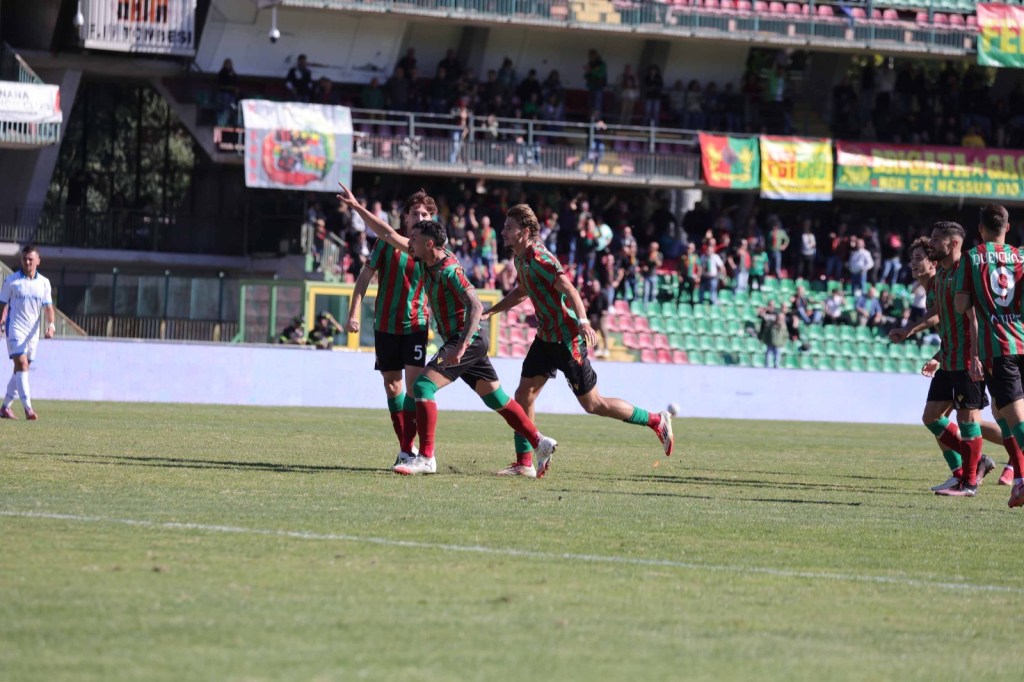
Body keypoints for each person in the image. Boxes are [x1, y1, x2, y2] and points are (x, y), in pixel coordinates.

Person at [483, 204, 674, 478]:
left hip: (566, 339)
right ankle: (524, 462)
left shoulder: (540, 257)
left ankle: (656, 420)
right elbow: (523, 291)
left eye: (509, 228)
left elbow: (569, 289)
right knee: (523, 395)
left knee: (593, 404)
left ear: (524, 232)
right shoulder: (520, 259)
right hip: (545, 338)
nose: (503, 232)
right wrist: (493, 309)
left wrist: (584, 322)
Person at [362, 212, 557, 477]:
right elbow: (387, 234)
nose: (409, 243)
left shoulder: (449, 269)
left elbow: (476, 306)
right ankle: (539, 442)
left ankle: (426, 458)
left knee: (422, 385)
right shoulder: (423, 258)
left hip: (467, 340)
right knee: (497, 399)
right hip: (467, 342)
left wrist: (461, 347)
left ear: (429, 244)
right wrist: (356, 207)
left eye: (415, 239)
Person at [342, 187, 434, 467]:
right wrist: (354, 313)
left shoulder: (431, 247)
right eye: (415, 213)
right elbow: (364, 277)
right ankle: (407, 449)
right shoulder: (386, 243)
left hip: (417, 324)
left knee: (416, 389)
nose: (420, 217)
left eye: (425, 214)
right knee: (392, 386)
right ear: (405, 217)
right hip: (385, 325)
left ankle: (414, 451)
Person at [953, 205, 1024, 504]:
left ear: (980, 229)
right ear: (1007, 228)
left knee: (1013, 418)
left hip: (998, 347)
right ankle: (1019, 480)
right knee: (1005, 417)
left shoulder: (971, 258)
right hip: (1022, 340)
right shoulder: (1020, 257)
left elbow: (959, 304)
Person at [0, 245, 55, 420]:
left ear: (38, 261)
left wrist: (51, 325)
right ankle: (28, 409)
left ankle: (5, 408)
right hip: (15, 328)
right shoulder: (11, 281)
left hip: (33, 333)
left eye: (31, 259)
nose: (27, 262)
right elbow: (2, 305)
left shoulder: (44, 282)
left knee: (21, 369)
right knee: (22, 364)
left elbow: (48, 308)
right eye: (24, 259)